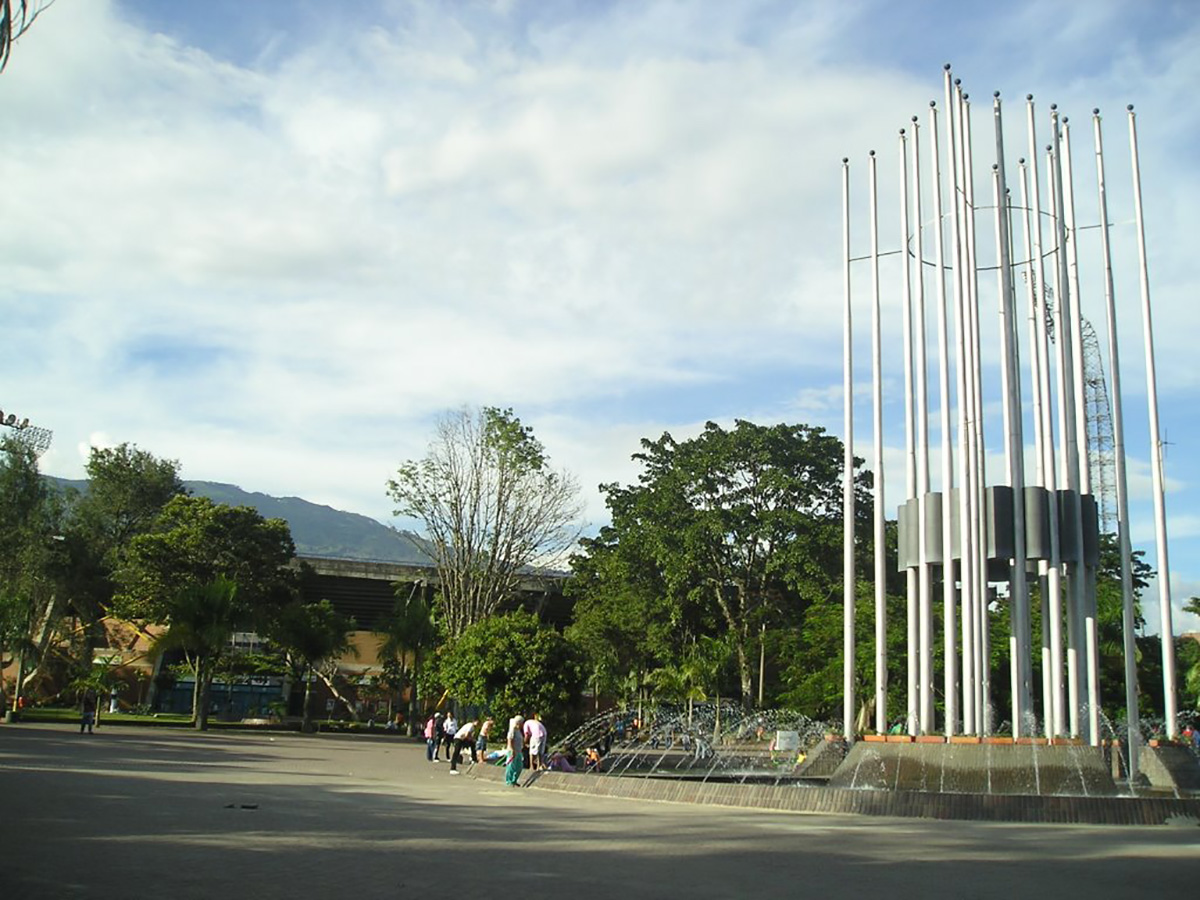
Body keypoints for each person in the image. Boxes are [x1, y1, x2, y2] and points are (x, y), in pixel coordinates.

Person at [505, 715, 525, 787]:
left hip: (519, 751)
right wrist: (512, 750)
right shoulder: (512, 730)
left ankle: (514, 780)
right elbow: (510, 740)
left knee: (519, 766)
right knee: (511, 766)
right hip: (512, 751)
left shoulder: (519, 731)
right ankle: (509, 781)